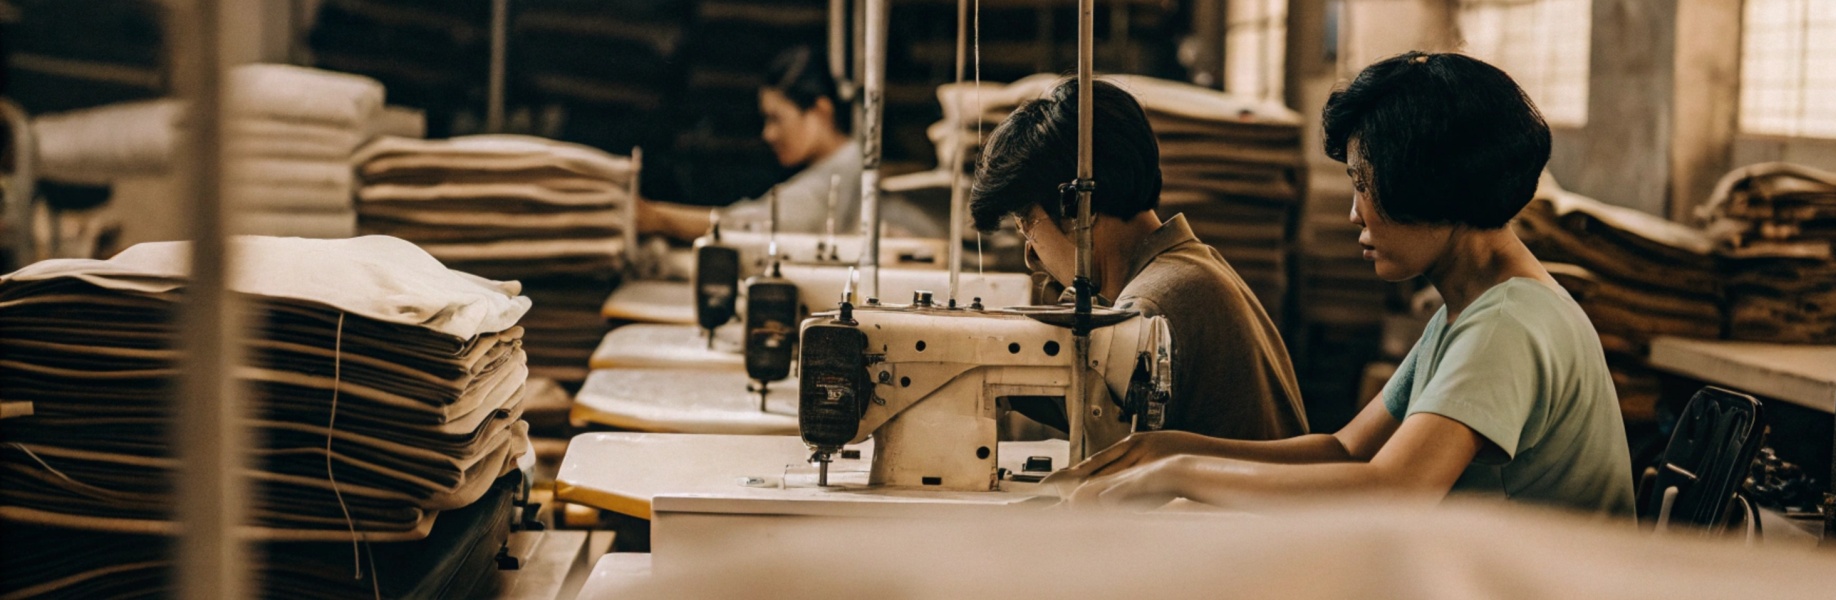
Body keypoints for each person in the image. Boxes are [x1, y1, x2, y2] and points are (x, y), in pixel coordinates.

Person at [1044, 52, 1636, 519]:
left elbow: (1393, 489)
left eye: (1363, 183)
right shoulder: (1472, 310)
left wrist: (1178, 477)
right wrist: (1170, 449)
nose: (1355, 213)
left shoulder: (1506, 325)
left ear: (1427, 183)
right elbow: (1347, 450)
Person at [969, 78, 1309, 441]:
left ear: (1077, 209)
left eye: (1027, 226)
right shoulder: (1192, 266)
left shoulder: (1151, 309)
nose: (1030, 257)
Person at [635, 46, 936, 241]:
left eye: (777, 118)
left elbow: (754, 224)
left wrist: (657, 217)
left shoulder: (846, 169)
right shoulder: (844, 164)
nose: (768, 134)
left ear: (820, 111)